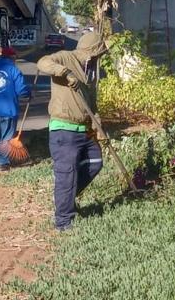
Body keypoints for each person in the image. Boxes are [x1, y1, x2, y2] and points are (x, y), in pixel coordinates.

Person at [36, 31, 108, 231]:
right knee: (67, 174)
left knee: (95, 162)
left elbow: (92, 105)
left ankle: (66, 198)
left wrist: (98, 129)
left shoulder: (90, 71)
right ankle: (63, 221)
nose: (99, 58)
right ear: (90, 52)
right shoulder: (66, 57)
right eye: (98, 55)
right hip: (64, 130)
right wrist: (65, 73)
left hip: (84, 130)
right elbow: (42, 62)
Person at [0, 46, 30, 172]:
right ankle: (3, 163)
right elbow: (21, 90)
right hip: (8, 110)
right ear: (12, 57)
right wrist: (28, 94)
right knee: (6, 137)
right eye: (15, 58)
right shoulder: (14, 71)